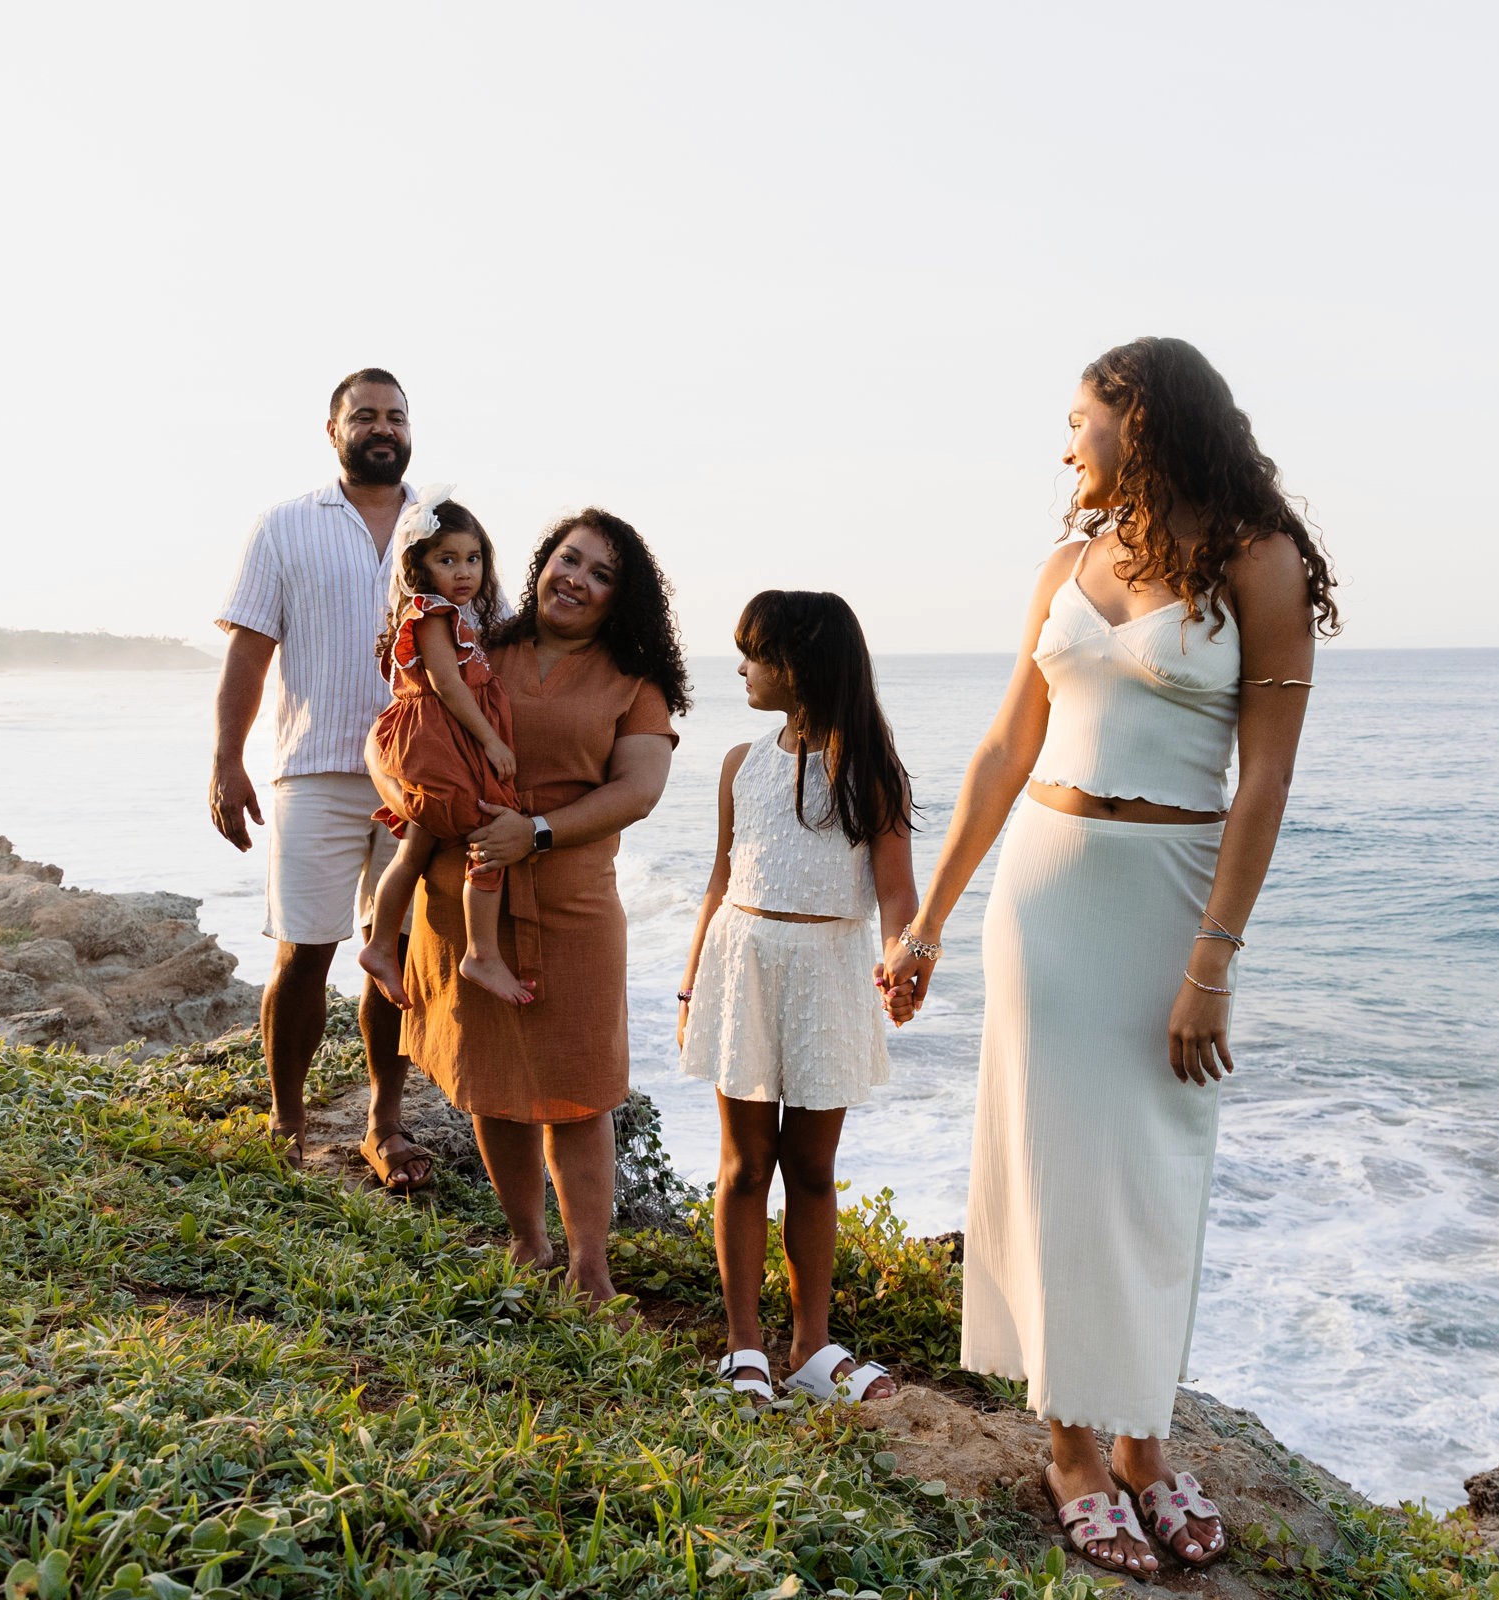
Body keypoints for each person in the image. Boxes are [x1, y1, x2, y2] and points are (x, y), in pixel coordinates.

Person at [882, 338, 1339, 1577]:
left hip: (1168, 894)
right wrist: (925, 918)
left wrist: (1214, 960)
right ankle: (1074, 1445)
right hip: (1044, 886)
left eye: (1081, 417)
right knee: (1047, 1161)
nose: (1067, 441)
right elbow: (1001, 748)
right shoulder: (1068, 565)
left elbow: (1267, 782)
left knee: (1149, 1173)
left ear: (1142, 423)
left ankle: (1144, 1437)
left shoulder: (1259, 561)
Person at [374, 509, 688, 1302]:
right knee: (492, 1082)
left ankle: (590, 1268)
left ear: (623, 598)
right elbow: (399, 733)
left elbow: (640, 789)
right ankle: (527, 1244)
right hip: (465, 895)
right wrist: (418, 805)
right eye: (567, 560)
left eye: (600, 573)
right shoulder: (481, 647)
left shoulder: (634, 682)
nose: (576, 579)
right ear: (542, 564)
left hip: (574, 904)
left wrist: (538, 832)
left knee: (581, 1091)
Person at [676, 590, 919, 1405]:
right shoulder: (740, 765)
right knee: (745, 1165)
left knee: (812, 1167)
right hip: (741, 964)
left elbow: (897, 897)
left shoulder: (872, 773)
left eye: (756, 654)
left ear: (801, 668)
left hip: (827, 974)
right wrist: (690, 981)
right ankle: (745, 1344)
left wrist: (902, 962)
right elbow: (721, 878)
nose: (742, 668)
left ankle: (811, 1345)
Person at [210, 367, 436, 1193]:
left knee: (397, 955)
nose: (384, 427)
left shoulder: (439, 524)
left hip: (416, 784)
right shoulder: (285, 527)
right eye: (366, 416)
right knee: (303, 952)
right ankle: (288, 1121)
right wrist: (227, 761)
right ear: (333, 429)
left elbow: (485, 647)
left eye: (397, 416)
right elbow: (249, 650)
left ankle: (385, 1122)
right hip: (313, 771)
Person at [355, 491, 533, 1007]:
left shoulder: (451, 614)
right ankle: (480, 952)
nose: (463, 571)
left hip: (441, 742)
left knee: (415, 848)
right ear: (419, 565)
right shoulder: (432, 614)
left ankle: (382, 947)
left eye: (472, 558)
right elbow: (448, 686)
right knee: (490, 832)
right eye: (446, 559)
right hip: (444, 742)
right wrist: (492, 740)